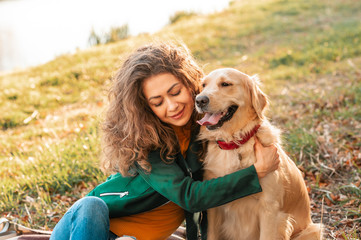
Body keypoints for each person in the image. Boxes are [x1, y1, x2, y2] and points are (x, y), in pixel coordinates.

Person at [50, 41, 279, 240]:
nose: (172, 106)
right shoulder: (147, 145)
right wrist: (256, 172)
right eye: (157, 102)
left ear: (191, 85)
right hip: (89, 228)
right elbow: (191, 196)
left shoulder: (203, 132)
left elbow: (245, 119)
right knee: (92, 205)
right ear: (145, 108)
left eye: (175, 92)